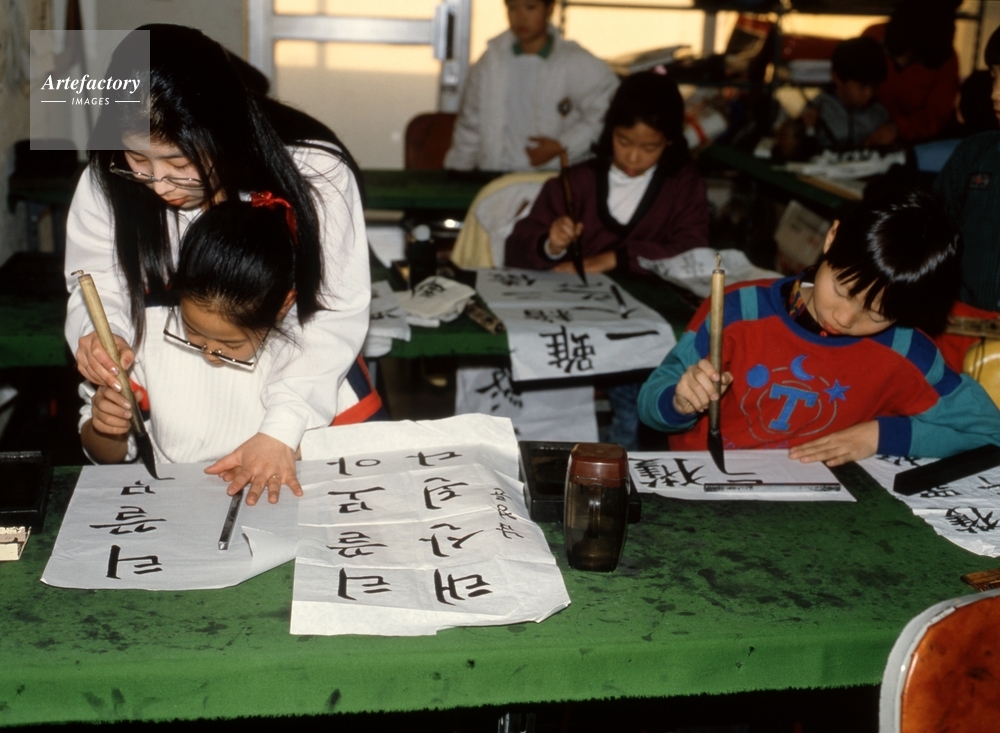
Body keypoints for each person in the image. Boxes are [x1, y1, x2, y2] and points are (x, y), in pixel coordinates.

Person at [64, 25, 370, 505]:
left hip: (298, 396)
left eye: (179, 162)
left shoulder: (314, 172)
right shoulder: (107, 180)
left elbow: (332, 312)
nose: (159, 184)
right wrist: (104, 336)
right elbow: (97, 280)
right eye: (137, 158)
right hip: (179, 404)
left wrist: (283, 427)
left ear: (223, 131)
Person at [638, 188, 1000, 466]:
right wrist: (679, 401)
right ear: (832, 237)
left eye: (876, 315)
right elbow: (650, 402)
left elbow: (990, 431)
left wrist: (881, 436)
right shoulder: (736, 311)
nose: (845, 318)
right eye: (843, 290)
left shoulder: (907, 351)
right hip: (702, 486)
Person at [80, 198, 385, 475]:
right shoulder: (145, 334)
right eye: (193, 331)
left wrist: (292, 449)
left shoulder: (320, 353)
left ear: (283, 307)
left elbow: (371, 450)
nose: (209, 353)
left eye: (231, 344)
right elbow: (107, 455)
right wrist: (107, 428)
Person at [505, 69, 710, 275]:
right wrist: (550, 245)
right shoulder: (577, 183)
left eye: (649, 148)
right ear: (610, 129)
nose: (633, 157)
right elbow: (515, 250)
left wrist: (615, 259)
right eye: (623, 141)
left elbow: (693, 252)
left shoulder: (683, 185)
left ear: (669, 141)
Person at [444, 0, 618, 171]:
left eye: (530, 7)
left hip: (554, 179)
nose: (521, 17)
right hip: (497, 178)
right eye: (512, 7)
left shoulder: (577, 62)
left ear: (550, 8)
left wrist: (563, 145)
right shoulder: (490, 63)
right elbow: (469, 128)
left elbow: (609, 115)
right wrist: (456, 173)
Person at [934, 25, 1000, 314]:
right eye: (995, 78)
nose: (995, 94)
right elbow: (932, 230)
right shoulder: (974, 154)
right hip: (961, 319)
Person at [862, 0, 960, 146]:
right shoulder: (874, 37)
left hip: (920, 142)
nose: (903, 60)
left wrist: (897, 128)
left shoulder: (945, 58)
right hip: (867, 133)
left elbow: (936, 114)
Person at [800, 37, 889, 152]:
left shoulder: (878, 113)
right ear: (837, 78)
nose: (869, 93)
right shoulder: (817, 113)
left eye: (874, 86)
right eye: (862, 86)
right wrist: (808, 129)